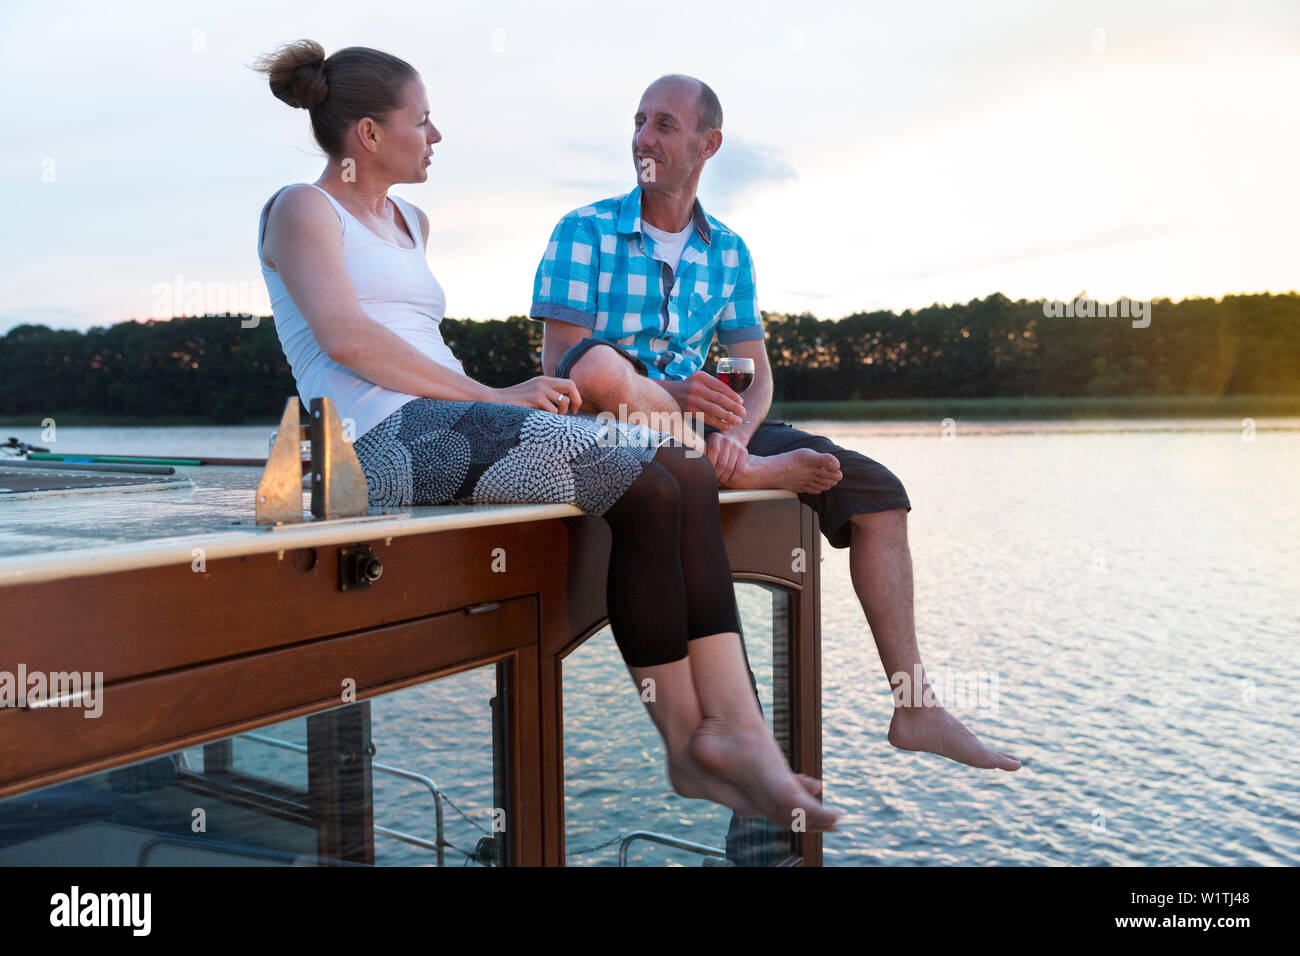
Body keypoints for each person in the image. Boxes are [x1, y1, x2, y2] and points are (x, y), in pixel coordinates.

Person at [252, 41, 837, 833]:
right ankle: (686, 742)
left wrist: (497, 405)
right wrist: (497, 396)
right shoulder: (300, 209)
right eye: (421, 122)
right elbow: (349, 340)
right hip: (367, 440)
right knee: (640, 481)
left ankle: (733, 729)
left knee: (682, 475)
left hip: (445, 417)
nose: (435, 136)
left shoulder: (407, 220)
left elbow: (420, 347)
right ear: (365, 134)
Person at [533, 75, 1020, 772]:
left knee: (879, 494)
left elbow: (755, 373)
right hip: (612, 428)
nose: (643, 138)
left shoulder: (728, 251)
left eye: (664, 125)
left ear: (709, 143)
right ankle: (745, 471)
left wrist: (735, 434)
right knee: (609, 371)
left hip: (707, 434)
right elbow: (566, 370)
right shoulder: (583, 231)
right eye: (639, 122)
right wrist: (675, 394)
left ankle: (915, 707)